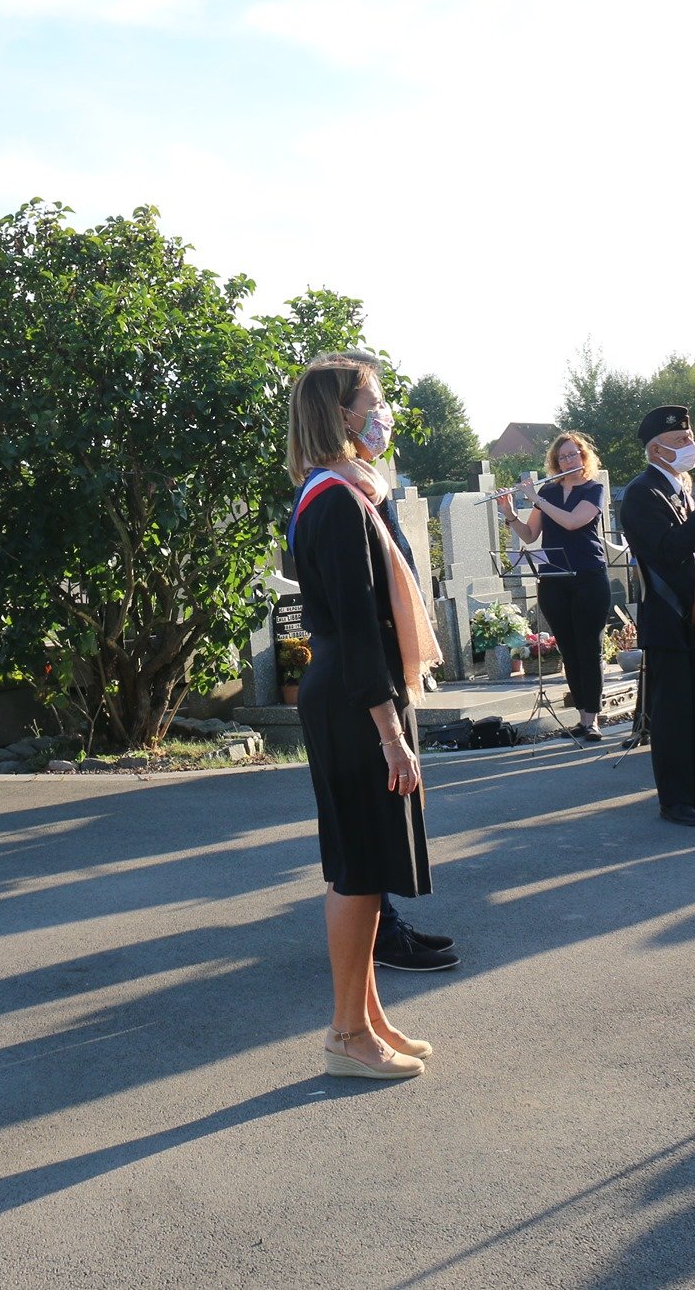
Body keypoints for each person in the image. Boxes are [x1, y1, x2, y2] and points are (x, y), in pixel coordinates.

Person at [285, 351, 443, 1080]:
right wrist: (390, 734)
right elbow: (355, 624)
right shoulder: (339, 503)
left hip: (358, 693)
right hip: (357, 702)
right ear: (340, 414)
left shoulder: (351, 495)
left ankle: (369, 1015)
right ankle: (346, 1033)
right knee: (356, 868)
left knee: (368, 865)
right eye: (372, 400)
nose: (381, 412)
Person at [619, 407, 695, 828]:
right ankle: (676, 800)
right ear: (655, 449)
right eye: (680, 442)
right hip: (671, 617)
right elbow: (668, 550)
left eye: (690, 438)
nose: (690, 446)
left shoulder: (683, 489)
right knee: (673, 716)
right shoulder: (641, 493)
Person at [499, 431, 610, 740]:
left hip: (588, 577)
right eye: (562, 457)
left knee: (590, 648)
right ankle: (582, 717)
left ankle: (593, 719)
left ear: (583, 457)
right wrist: (509, 513)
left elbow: (573, 521)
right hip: (553, 580)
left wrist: (535, 499)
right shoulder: (548, 491)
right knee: (570, 651)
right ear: (555, 461)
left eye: (573, 455)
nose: (568, 461)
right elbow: (530, 535)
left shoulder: (593, 489)